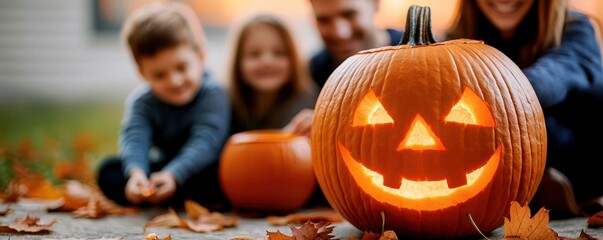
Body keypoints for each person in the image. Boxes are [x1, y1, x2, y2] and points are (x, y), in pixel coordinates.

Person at [446, 0, 603, 218]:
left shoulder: (575, 30)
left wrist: (485, 96)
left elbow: (555, 75)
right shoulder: (457, 42)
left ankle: (548, 184)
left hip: (572, 155)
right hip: (500, 170)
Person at [96, 2, 231, 210]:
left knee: (220, 176)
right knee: (109, 170)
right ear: (142, 74)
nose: (174, 81)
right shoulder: (142, 102)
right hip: (163, 168)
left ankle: (173, 194)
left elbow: (207, 141)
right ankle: (144, 192)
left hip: (202, 166)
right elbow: (135, 138)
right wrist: (137, 174)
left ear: (200, 57)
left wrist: (174, 174)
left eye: (181, 68)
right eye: (159, 75)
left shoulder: (212, 94)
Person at [225, 13, 318, 137]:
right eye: (254, 54)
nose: (267, 62)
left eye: (279, 53)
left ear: (294, 59)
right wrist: (283, 138)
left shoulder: (307, 103)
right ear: (237, 62)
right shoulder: (225, 103)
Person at [308, 0, 404, 89]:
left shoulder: (414, 51)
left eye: (349, 15)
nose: (340, 33)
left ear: (375, 3)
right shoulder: (314, 71)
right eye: (324, 20)